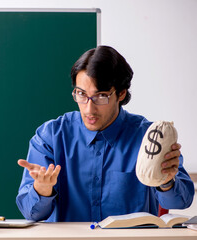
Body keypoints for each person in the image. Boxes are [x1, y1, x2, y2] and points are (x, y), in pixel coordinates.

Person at [16, 45, 195, 222]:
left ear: (121, 93)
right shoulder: (51, 136)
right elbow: (31, 214)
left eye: (101, 96)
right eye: (81, 94)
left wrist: (166, 182)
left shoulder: (149, 136)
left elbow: (181, 202)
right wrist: (42, 189)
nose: (89, 108)